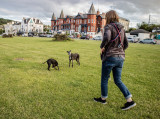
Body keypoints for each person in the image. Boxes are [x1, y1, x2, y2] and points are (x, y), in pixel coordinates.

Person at [94, 10, 136, 110]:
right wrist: (119, 51)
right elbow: (126, 44)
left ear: (108, 17)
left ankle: (103, 99)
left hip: (110, 57)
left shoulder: (108, 27)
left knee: (104, 79)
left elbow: (107, 37)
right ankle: (130, 101)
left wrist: (102, 47)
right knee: (118, 80)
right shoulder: (122, 28)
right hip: (120, 57)